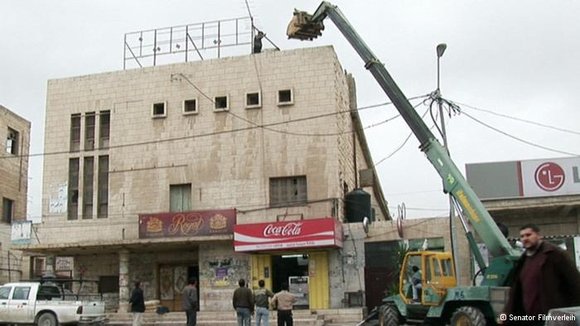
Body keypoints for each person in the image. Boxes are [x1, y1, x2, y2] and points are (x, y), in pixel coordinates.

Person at [502, 224, 580, 325]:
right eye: (522, 236)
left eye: (528, 235)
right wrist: (506, 314)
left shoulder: (555, 254)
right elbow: (516, 293)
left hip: (554, 318)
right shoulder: (523, 261)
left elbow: (575, 282)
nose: (525, 238)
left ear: (538, 236)